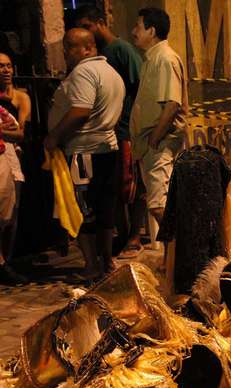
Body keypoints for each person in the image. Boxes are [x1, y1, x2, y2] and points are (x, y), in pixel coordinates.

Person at [45, 28, 125, 281]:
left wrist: (54, 136)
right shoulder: (110, 72)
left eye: (70, 48)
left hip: (84, 152)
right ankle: (107, 262)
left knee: (85, 210)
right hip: (106, 149)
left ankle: (92, 265)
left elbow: (81, 111)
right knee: (105, 210)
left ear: (88, 48)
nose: (66, 54)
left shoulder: (84, 72)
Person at [74, 6, 145, 260]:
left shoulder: (122, 51)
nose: (86, 31)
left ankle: (135, 236)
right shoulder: (99, 56)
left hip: (126, 128)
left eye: (88, 25)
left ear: (101, 22)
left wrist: (131, 122)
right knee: (114, 190)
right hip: (109, 133)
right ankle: (123, 236)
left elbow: (140, 87)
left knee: (132, 186)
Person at [129, 7, 188, 240]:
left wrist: (154, 139)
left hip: (159, 144)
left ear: (151, 30)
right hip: (151, 145)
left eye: (138, 26)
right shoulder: (152, 59)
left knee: (158, 205)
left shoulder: (164, 58)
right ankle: (174, 255)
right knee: (161, 203)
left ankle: (184, 250)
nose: (133, 31)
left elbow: (172, 104)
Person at [0, 52, 30, 285]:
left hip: (12, 158)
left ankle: (6, 261)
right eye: (1, 66)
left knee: (12, 215)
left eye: (9, 66)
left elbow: (20, 134)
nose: (6, 70)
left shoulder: (21, 97)